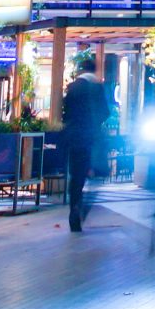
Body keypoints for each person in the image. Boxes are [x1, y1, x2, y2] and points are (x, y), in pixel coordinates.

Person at [64, 53, 110, 233]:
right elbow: (106, 112)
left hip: (75, 137)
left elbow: (65, 113)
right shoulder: (98, 87)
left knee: (76, 176)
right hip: (93, 137)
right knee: (96, 174)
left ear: (81, 70)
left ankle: (74, 208)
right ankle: (84, 207)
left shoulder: (73, 87)